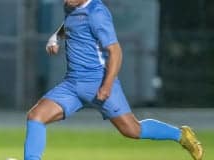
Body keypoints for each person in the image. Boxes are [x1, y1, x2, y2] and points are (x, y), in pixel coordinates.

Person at [24, 0, 203, 160]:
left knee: (132, 130)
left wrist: (107, 86)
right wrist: (55, 37)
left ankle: (180, 135)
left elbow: (115, 51)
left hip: (98, 83)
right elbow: (71, 24)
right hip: (72, 84)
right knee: (36, 116)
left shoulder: (97, 13)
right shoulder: (71, 6)